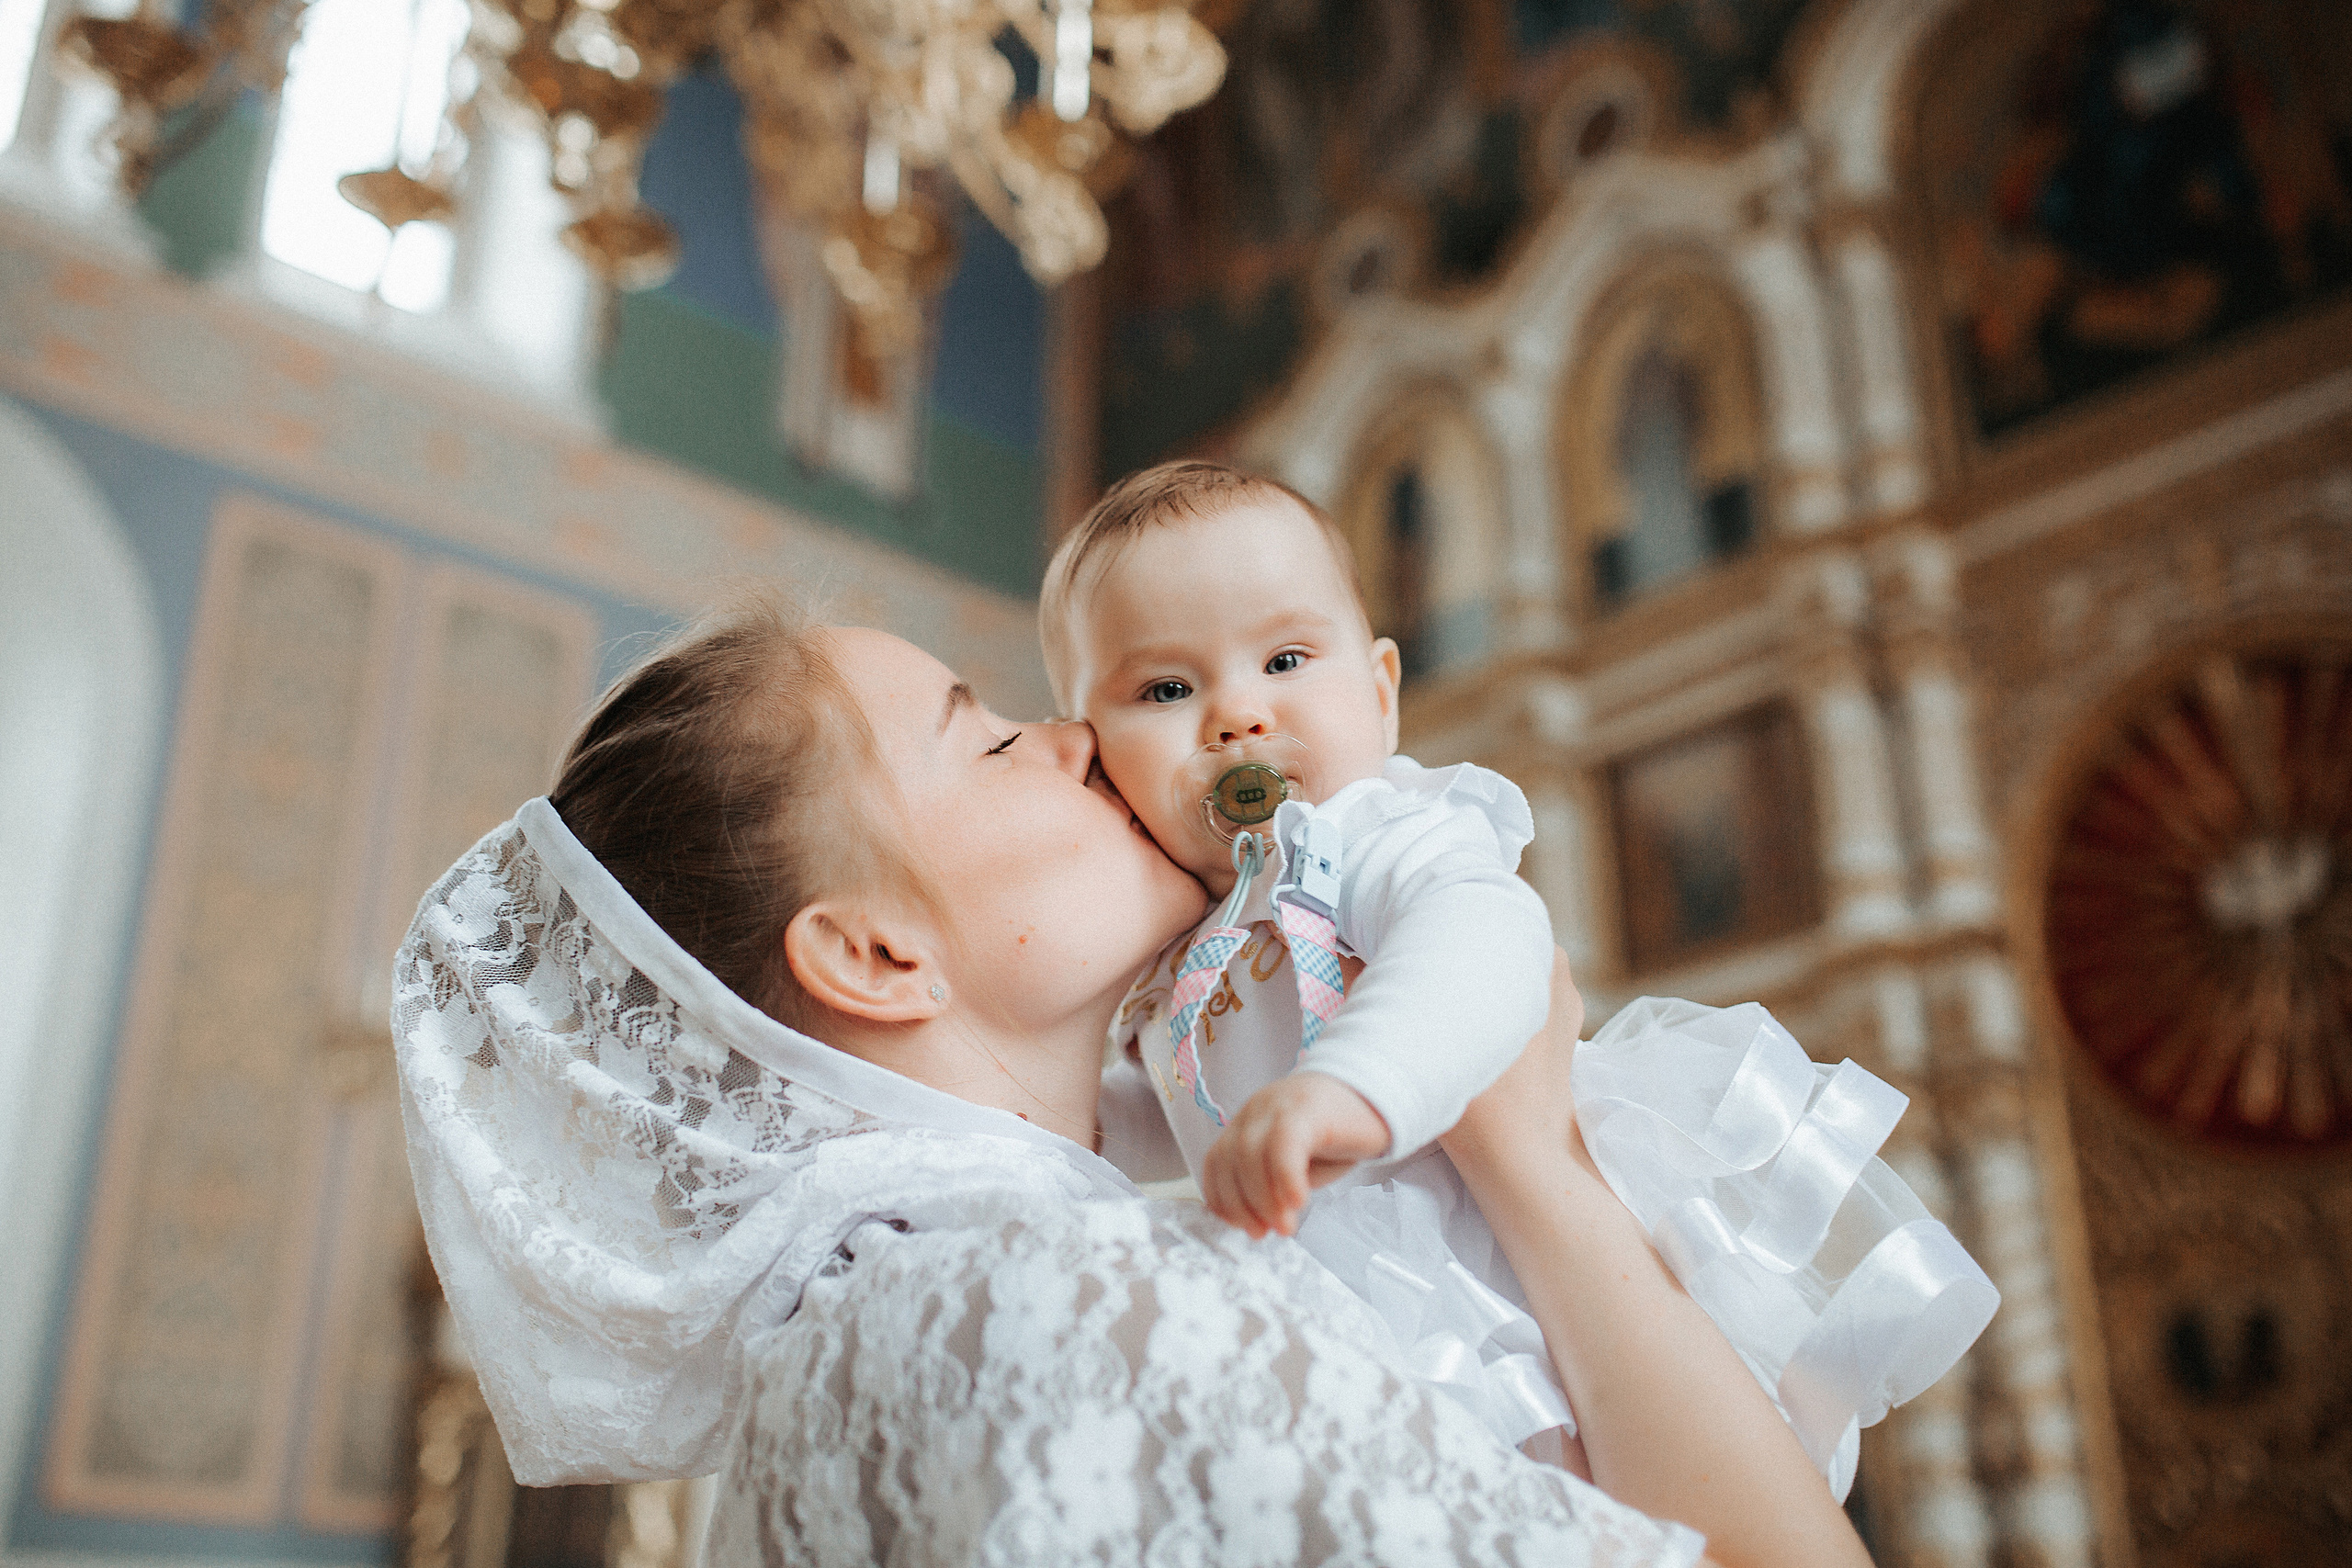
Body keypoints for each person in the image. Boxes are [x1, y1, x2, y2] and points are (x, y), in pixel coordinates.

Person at [395, 598, 1875, 1566]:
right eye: (984, 736)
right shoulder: (1052, 1304)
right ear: (875, 950)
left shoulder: (869, 1332)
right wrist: (1536, 1162)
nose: (1071, 736)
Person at [1045, 462, 1997, 1489]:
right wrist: (1072, 1121)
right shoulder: (1183, 942)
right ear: (1094, 758)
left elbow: (1481, 943)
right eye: (1165, 689)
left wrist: (1352, 1085)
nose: (1237, 714)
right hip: (1337, 1313)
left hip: (1483, 1286)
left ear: (1380, 695)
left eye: (1283, 658)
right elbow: (1181, 1102)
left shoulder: (1364, 837)